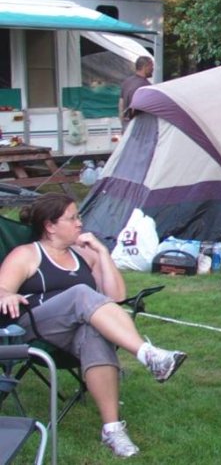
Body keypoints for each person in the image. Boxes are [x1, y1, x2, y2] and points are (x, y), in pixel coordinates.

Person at [0, 193, 187, 458]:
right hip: (36, 326)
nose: (80, 222)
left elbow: (116, 297)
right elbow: (2, 288)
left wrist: (101, 253)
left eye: (79, 216)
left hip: (72, 330)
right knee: (80, 293)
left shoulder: (84, 255)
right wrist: (7, 295)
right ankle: (147, 354)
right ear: (50, 226)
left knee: (94, 335)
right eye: (72, 218)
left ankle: (112, 430)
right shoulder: (27, 254)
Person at [118, 56, 154, 128]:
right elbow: (136, 106)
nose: (153, 69)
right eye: (151, 66)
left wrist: (123, 122)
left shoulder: (127, 81)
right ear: (145, 67)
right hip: (138, 125)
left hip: (126, 124)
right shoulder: (145, 85)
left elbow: (121, 103)